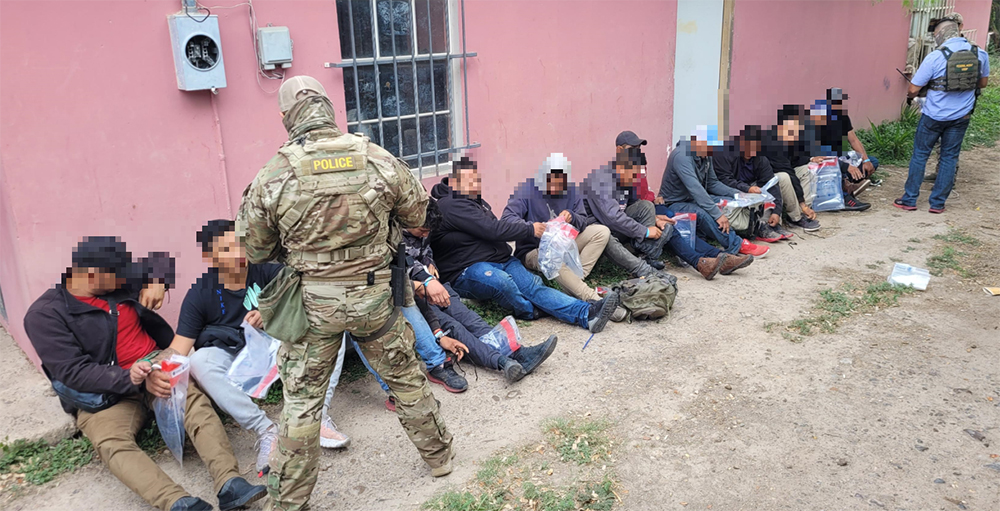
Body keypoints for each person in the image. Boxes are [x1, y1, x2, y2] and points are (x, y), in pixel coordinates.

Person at [238, 75, 454, 510]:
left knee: (302, 402)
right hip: (374, 298)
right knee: (405, 377)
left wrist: (301, 247)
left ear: (285, 117)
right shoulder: (375, 156)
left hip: (312, 305)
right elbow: (419, 216)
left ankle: (289, 500)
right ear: (328, 109)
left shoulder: (274, 172)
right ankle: (440, 459)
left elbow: (255, 248)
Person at [23, 237, 266, 511]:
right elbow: (73, 372)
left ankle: (230, 483)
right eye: (119, 277)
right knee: (111, 443)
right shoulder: (45, 315)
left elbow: (163, 260)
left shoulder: (115, 278)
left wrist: (157, 282)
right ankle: (177, 502)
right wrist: (133, 379)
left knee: (195, 405)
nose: (127, 280)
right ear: (91, 276)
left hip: (156, 368)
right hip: (106, 394)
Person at [429, 156, 620, 333]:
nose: (474, 185)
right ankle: (531, 310)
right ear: (453, 182)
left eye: (475, 180)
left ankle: (587, 313)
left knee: (535, 286)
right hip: (467, 268)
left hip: (501, 259)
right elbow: (493, 229)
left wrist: (572, 217)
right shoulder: (450, 204)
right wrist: (530, 229)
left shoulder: (477, 202)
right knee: (503, 282)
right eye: (467, 181)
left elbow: (494, 228)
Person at [409, 200, 558, 381]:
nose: (426, 234)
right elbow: (396, 272)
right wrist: (422, 283)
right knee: (453, 327)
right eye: (422, 231)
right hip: (413, 294)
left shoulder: (422, 226)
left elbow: (425, 251)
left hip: (435, 286)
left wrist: (429, 263)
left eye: (428, 232)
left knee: (470, 319)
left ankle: (517, 353)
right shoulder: (393, 238)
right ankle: (502, 362)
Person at [618, 132, 754, 279]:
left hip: (652, 205)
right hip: (650, 209)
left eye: (638, 148)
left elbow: (642, 192)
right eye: (632, 148)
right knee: (672, 224)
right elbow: (621, 209)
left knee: (673, 220)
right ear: (619, 150)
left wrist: (653, 198)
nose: (637, 151)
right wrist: (654, 217)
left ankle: (718, 257)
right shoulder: (616, 172)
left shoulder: (639, 164)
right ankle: (707, 259)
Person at [895, 17, 989, 214]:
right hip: (961, 117)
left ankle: (909, 199)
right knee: (949, 157)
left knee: (920, 155)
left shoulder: (935, 57)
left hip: (933, 116)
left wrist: (917, 93)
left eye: (935, 34)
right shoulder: (979, 54)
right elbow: (983, 83)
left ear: (940, 35)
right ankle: (937, 203)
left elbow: (913, 89)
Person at [501, 153, 611, 302]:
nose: (555, 188)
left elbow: (583, 220)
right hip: (534, 249)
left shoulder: (572, 190)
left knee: (601, 232)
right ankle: (592, 298)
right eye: (550, 182)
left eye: (560, 184)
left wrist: (572, 216)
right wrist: (531, 228)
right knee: (552, 257)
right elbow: (507, 219)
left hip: (565, 243)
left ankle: (576, 279)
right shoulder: (525, 190)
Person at [659, 125, 770, 257]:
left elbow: (713, 183)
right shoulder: (681, 156)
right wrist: (718, 215)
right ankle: (736, 244)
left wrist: (738, 194)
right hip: (674, 203)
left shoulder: (706, 156)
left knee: (729, 202)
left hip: (692, 198)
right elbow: (696, 189)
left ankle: (734, 234)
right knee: (703, 212)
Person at [713, 125, 794, 242]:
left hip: (750, 185)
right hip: (730, 189)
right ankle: (758, 227)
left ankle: (771, 223)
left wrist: (777, 212)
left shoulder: (760, 158)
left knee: (767, 189)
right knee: (753, 195)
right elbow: (724, 180)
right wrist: (747, 189)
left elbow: (770, 182)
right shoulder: (725, 154)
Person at [809, 92, 872, 211]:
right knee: (835, 168)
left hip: (841, 156)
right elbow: (818, 155)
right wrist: (845, 166)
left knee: (871, 162)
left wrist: (866, 160)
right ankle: (845, 196)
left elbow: (854, 140)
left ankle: (849, 183)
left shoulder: (842, 117)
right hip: (825, 162)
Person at [762, 106, 821, 231]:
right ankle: (795, 217)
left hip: (784, 171)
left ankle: (803, 211)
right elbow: (788, 171)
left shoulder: (789, 137)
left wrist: (810, 159)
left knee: (807, 169)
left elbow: (795, 160)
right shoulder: (773, 143)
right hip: (767, 179)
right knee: (785, 177)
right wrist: (802, 204)